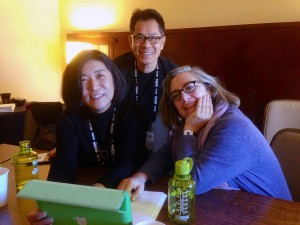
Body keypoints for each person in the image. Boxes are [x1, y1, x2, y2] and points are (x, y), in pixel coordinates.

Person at [118, 65, 292, 201]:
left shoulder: (234, 127)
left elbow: (191, 185)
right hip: (230, 204)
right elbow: (166, 154)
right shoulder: (193, 121)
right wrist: (140, 177)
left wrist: (189, 131)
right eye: (176, 96)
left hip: (270, 212)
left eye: (190, 87)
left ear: (210, 89)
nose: (184, 98)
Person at [27, 50, 148, 224]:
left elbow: (129, 161)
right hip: (86, 184)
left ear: (113, 77)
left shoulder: (131, 113)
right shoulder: (69, 119)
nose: (93, 86)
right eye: (83, 80)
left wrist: (96, 190)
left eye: (100, 75)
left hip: (127, 192)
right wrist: (50, 204)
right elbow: (64, 164)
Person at [114, 8, 177, 154]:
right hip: (122, 142)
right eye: (140, 37)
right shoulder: (115, 70)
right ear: (131, 41)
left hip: (161, 143)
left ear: (162, 42)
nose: (146, 45)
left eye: (154, 38)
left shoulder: (173, 74)